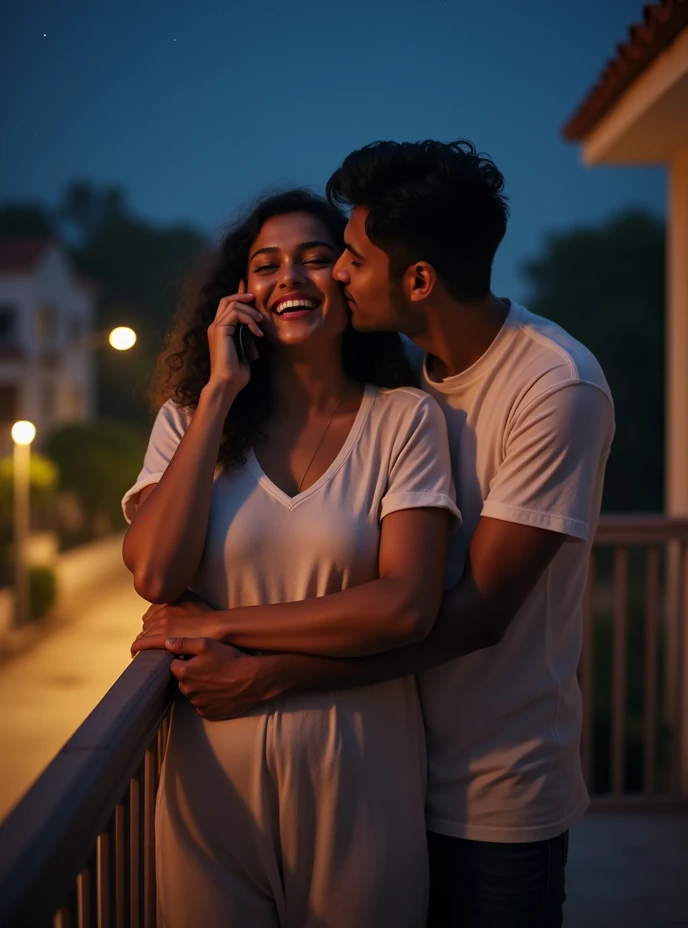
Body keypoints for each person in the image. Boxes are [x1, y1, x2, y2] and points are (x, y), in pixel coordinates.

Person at [153, 141, 615, 928]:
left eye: (349, 260)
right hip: (388, 767)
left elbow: (472, 614)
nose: (333, 277)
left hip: (490, 787)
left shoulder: (553, 386)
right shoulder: (410, 374)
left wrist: (261, 666)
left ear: (419, 280)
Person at [123, 188, 461, 928]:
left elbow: (407, 605)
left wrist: (220, 626)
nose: (291, 279)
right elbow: (154, 574)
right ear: (239, 295)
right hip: (211, 782)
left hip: (361, 774)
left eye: (316, 259)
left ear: (347, 280)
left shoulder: (405, 419)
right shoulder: (188, 421)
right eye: (267, 265)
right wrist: (218, 395)